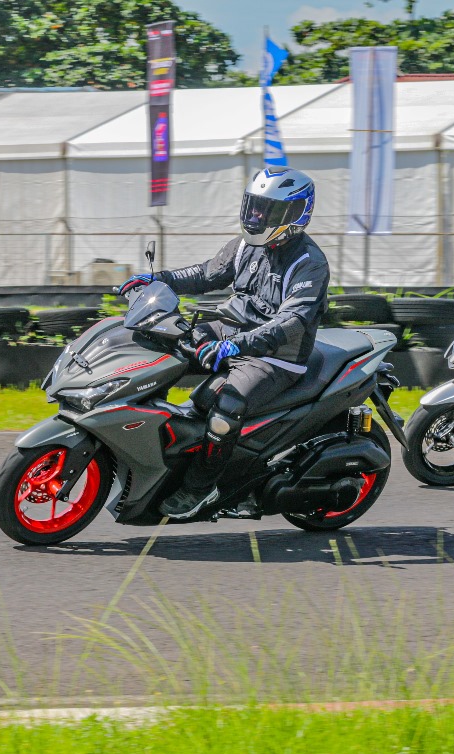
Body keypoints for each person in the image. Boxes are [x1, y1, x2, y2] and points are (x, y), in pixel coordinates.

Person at [117, 166, 329, 519]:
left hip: (276, 357)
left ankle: (201, 487)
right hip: (229, 332)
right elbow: (205, 274)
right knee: (162, 337)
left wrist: (237, 346)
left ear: (295, 214)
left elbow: (292, 322)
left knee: (223, 407)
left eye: (267, 210)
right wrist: (157, 280)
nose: (256, 216)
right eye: (254, 206)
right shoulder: (245, 245)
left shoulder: (310, 263)